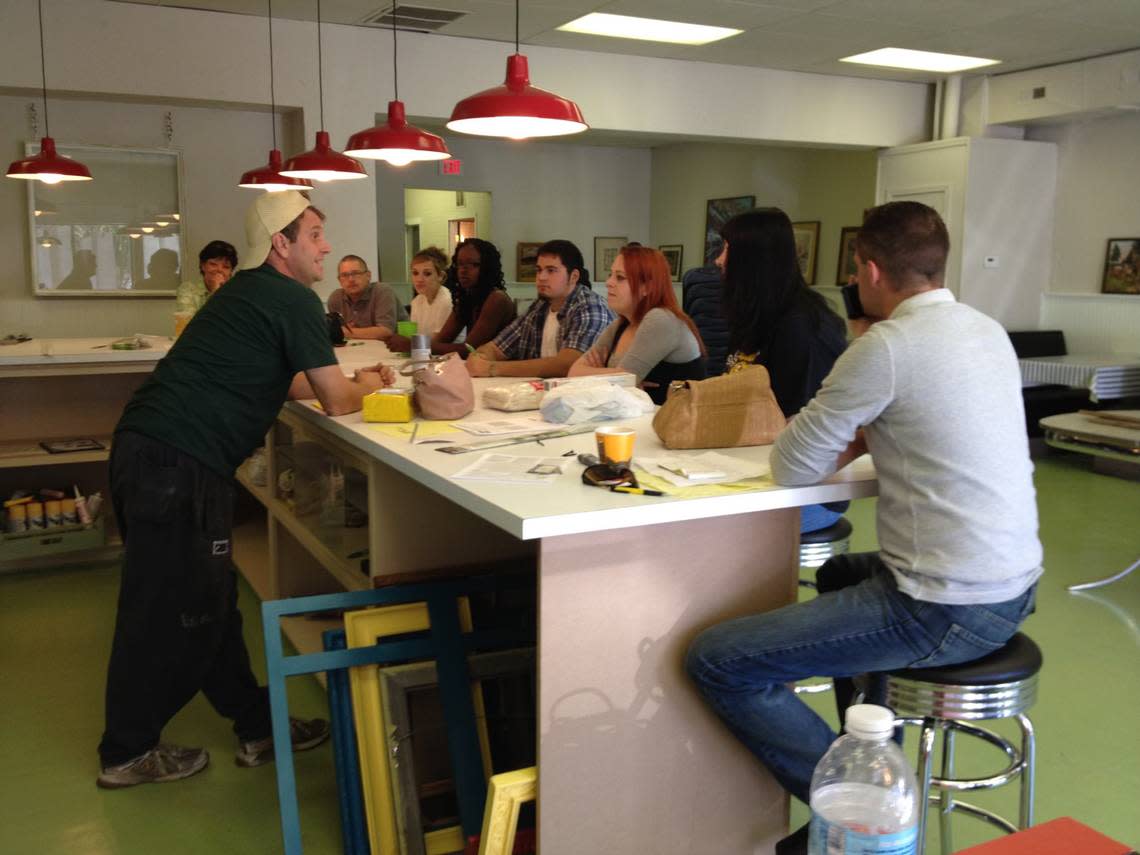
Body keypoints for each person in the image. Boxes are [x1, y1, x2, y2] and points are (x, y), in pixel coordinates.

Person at [685, 202, 1042, 855]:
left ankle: (864, 806)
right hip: (1015, 588)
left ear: (872, 270)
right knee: (842, 571)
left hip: (945, 606)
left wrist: (847, 433)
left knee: (717, 659)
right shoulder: (986, 330)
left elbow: (792, 464)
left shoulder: (886, 347)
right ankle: (869, 742)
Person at [97, 190, 396, 790]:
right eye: (314, 235)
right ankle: (126, 753)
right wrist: (370, 386)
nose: (327, 246)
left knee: (207, 604)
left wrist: (350, 381)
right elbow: (336, 400)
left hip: (151, 452)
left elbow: (285, 385)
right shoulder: (291, 298)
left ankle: (258, 727)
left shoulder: (245, 294)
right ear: (281, 244)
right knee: (167, 612)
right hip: (180, 465)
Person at [716, 208, 849, 533]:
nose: (719, 261)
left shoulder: (801, 328)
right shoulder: (759, 316)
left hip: (805, 494)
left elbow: (792, 426)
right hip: (753, 473)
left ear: (752, 260)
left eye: (727, 251)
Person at [568, 244, 705, 403]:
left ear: (647, 287)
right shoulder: (622, 323)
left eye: (620, 277)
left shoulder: (660, 319)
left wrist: (603, 374)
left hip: (676, 423)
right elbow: (574, 372)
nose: (609, 283)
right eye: (610, 275)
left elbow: (623, 380)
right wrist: (616, 377)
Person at [466, 239, 613, 379]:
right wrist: (481, 357)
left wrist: (492, 368)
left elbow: (566, 365)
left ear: (573, 277)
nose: (541, 277)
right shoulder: (540, 307)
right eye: (538, 270)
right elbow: (497, 347)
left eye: (551, 270)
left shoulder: (590, 307)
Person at [426, 238, 516, 357]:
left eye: (474, 264)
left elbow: (469, 349)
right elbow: (443, 339)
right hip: (479, 369)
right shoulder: (467, 298)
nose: (463, 270)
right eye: (460, 264)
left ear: (487, 268)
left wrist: (416, 345)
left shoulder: (497, 299)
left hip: (503, 371)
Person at [327, 254, 408, 341]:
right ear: (339, 280)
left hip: (392, 351)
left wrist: (345, 332)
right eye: (345, 275)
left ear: (368, 276)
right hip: (356, 350)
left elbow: (386, 332)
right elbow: (335, 333)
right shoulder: (335, 299)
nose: (350, 279)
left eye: (356, 273)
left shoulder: (382, 291)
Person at [175, 240, 238, 314]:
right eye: (213, 264)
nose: (219, 270)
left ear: (231, 271)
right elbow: (188, 322)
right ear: (203, 266)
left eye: (226, 267)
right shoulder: (188, 289)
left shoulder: (237, 292)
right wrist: (215, 291)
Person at [408, 246, 453, 337]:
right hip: (426, 350)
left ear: (440, 276)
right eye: (415, 273)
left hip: (449, 351)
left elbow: (439, 340)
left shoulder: (447, 301)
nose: (419, 279)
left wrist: (408, 343)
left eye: (427, 273)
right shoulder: (416, 301)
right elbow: (414, 335)